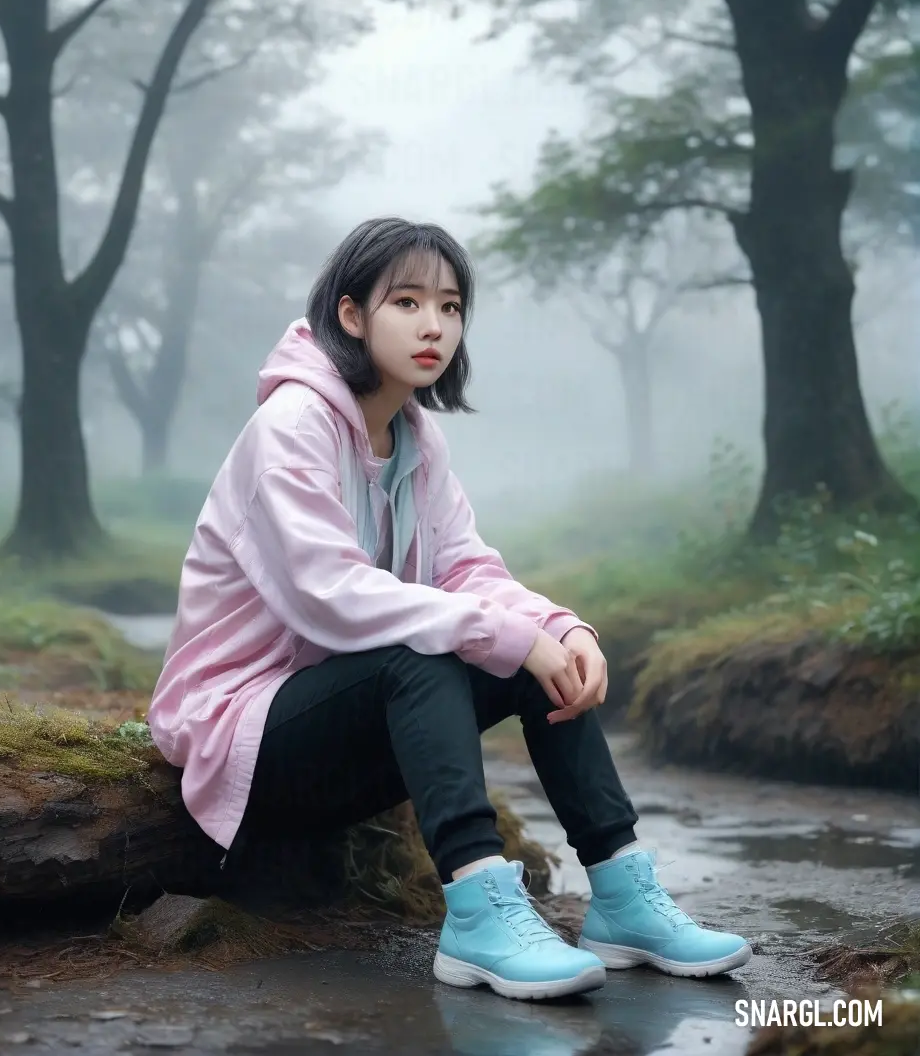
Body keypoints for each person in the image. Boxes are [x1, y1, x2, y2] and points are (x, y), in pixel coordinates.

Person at [148, 216, 752, 1001]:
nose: (434, 325)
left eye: (451, 306)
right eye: (406, 302)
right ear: (352, 315)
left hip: (347, 719)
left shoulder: (415, 439)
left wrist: (557, 628)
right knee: (423, 646)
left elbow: (467, 567)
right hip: (243, 734)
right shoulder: (291, 427)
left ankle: (624, 895)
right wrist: (501, 633)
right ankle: (477, 909)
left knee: (527, 652)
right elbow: (328, 595)